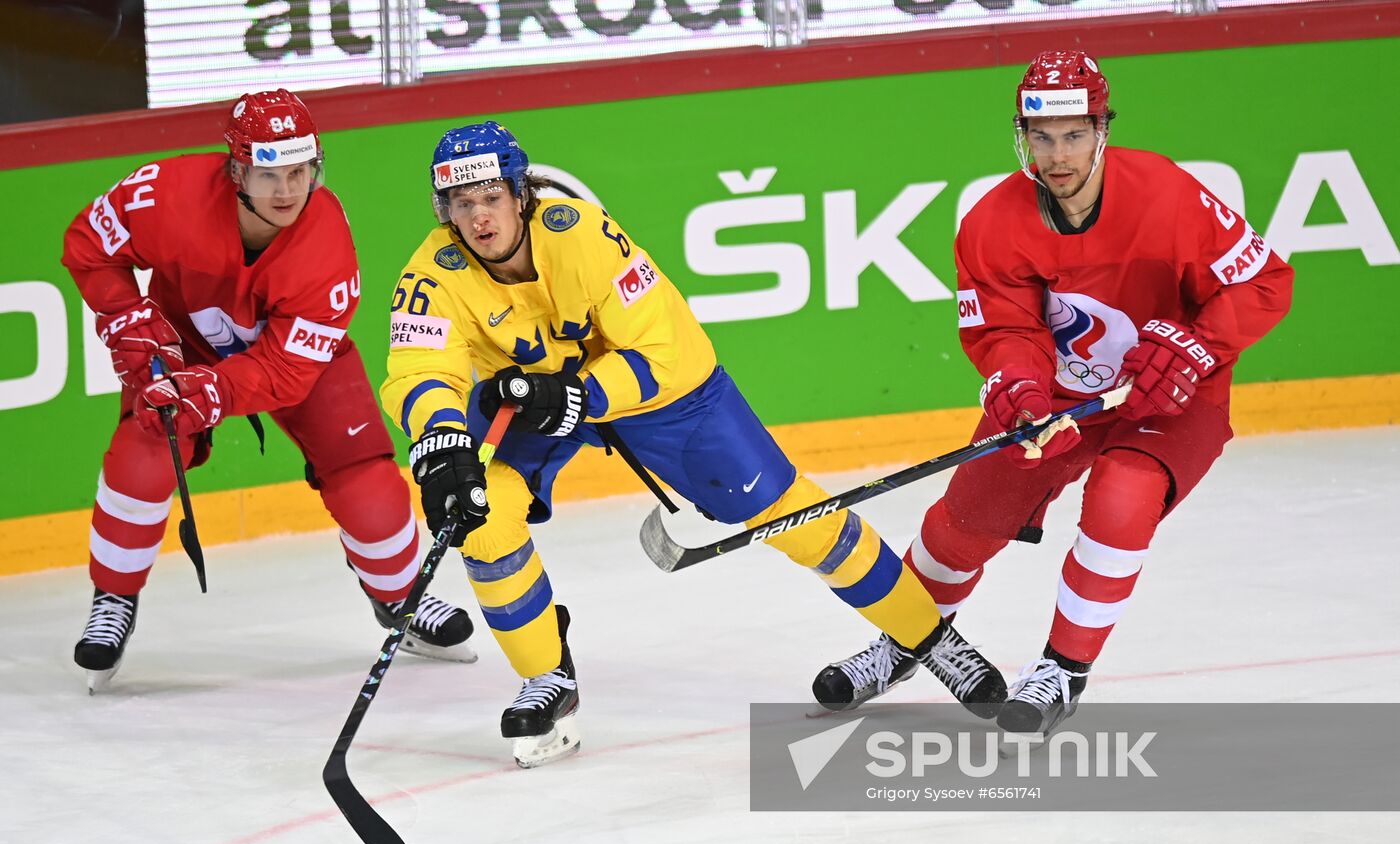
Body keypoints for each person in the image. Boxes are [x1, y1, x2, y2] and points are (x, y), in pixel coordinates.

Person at [380, 121, 1008, 768]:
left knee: (790, 512)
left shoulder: (583, 236)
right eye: (462, 203)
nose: (478, 217)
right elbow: (419, 370)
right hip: (530, 400)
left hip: (660, 395)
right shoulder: (435, 270)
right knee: (479, 514)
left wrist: (583, 396)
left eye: (490, 197)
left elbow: (662, 352)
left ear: (520, 194)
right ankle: (548, 676)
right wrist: (442, 437)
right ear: (444, 210)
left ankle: (929, 639)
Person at [817, 50, 1293, 736]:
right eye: (1042, 137)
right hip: (1060, 399)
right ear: (1022, 135)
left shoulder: (1167, 195)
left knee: (1122, 497)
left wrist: (1197, 344)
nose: (1058, 154)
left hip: (1170, 393)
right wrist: (1020, 387)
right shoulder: (991, 222)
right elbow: (1007, 328)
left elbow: (1264, 283)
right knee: (966, 520)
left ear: (1103, 129)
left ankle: (1061, 671)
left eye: (1074, 134)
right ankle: (907, 639)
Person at [62, 89, 476, 692]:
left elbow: (286, 371)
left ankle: (401, 595)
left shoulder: (327, 238)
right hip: (184, 342)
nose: (286, 191)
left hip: (293, 361)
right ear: (236, 170)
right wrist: (124, 313)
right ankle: (113, 598)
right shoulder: (162, 194)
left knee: (368, 482)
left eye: (299, 171)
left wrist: (215, 390)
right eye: (267, 174)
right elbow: (89, 247)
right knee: (144, 451)